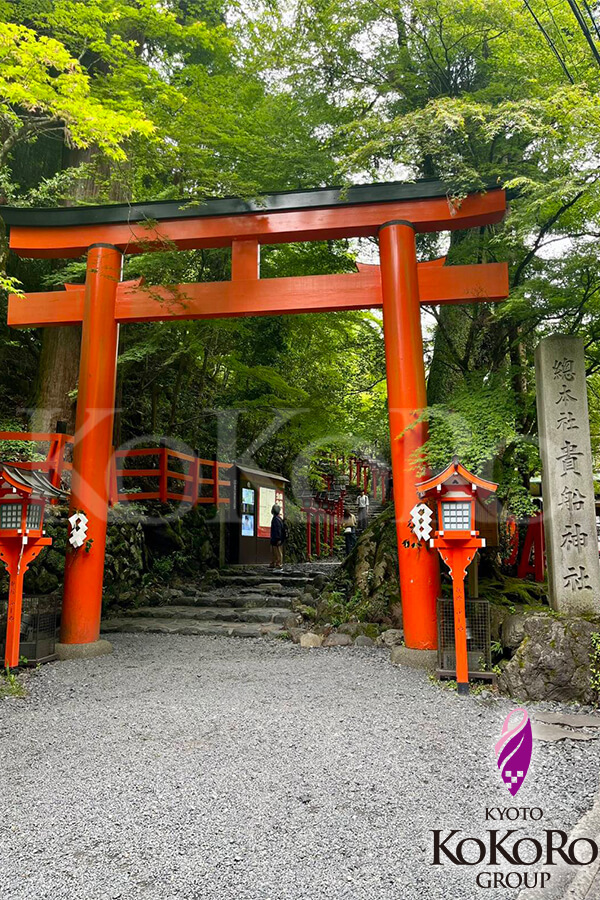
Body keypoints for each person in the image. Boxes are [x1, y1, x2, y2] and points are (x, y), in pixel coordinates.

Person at [270, 504, 286, 569]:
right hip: (278, 538)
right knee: (276, 551)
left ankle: (277, 563)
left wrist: (278, 539)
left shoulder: (275, 519)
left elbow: (277, 529)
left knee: (276, 552)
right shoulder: (279, 519)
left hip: (276, 538)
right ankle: (275, 563)